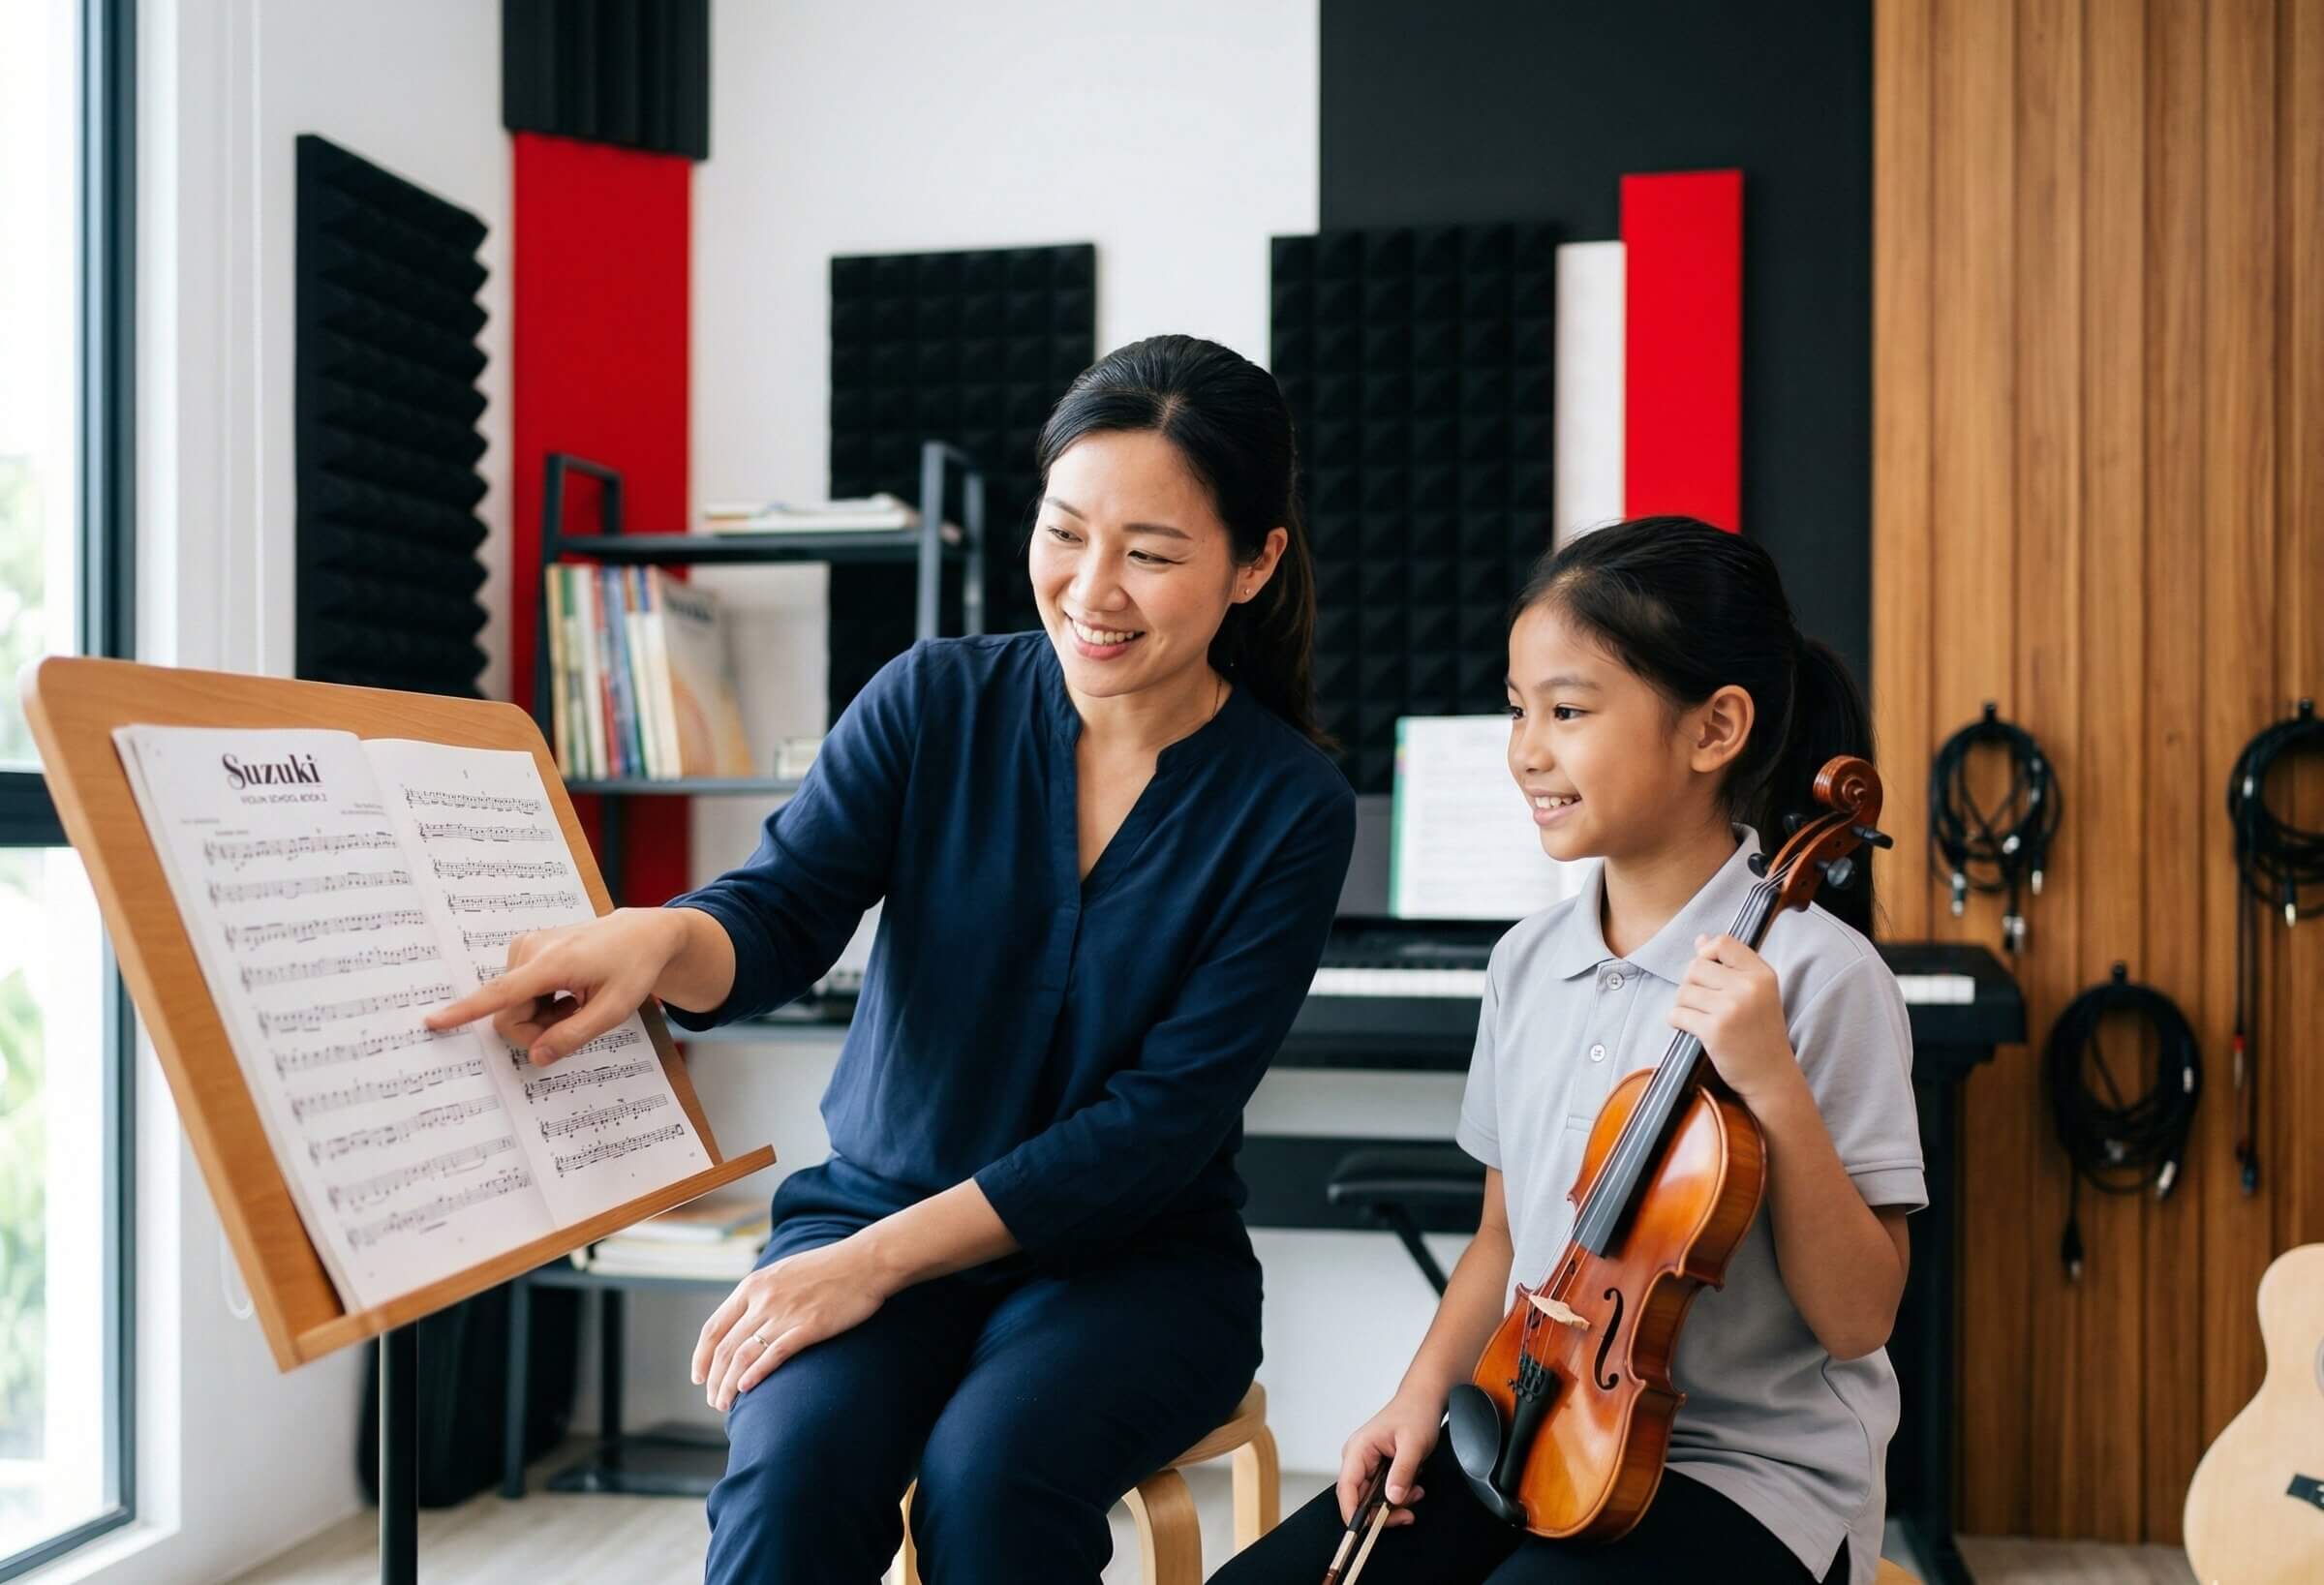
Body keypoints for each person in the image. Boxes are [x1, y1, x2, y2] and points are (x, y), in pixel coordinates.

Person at [426, 334, 1355, 1582]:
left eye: (1152, 552)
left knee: (995, 1473)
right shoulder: (931, 700)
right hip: (875, 1198)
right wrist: (660, 938)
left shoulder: (1290, 803)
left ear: (1255, 564)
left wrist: (866, 1266)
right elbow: (780, 911)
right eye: (1065, 531)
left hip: (1132, 1260)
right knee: (794, 1480)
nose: (1093, 587)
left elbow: (1155, 1126)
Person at [1211, 517, 1922, 1585]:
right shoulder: (1525, 963)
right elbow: (1502, 1242)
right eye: (1518, 709)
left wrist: (1771, 1079)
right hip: (1531, 1423)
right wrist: (1416, 1394)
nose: (1527, 749)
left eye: (1568, 710)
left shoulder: (1822, 977)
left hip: (1747, 1475)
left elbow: (1861, 1314)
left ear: (1715, 726)